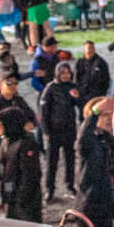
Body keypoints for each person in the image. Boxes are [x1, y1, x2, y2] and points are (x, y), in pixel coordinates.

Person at [77, 97, 114, 227]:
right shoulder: (88, 141)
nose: (109, 119)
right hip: (92, 203)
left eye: (111, 115)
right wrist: (95, 112)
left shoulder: (104, 137)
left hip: (108, 197)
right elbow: (82, 138)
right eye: (104, 115)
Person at [38, 60, 83, 201]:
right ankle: (49, 189)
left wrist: (77, 97)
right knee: (52, 162)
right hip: (54, 130)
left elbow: (81, 107)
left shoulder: (72, 86)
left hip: (69, 129)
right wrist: (45, 131)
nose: (65, 75)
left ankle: (70, 185)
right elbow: (43, 112)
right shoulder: (50, 88)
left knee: (70, 159)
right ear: (57, 73)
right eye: (62, 73)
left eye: (68, 73)